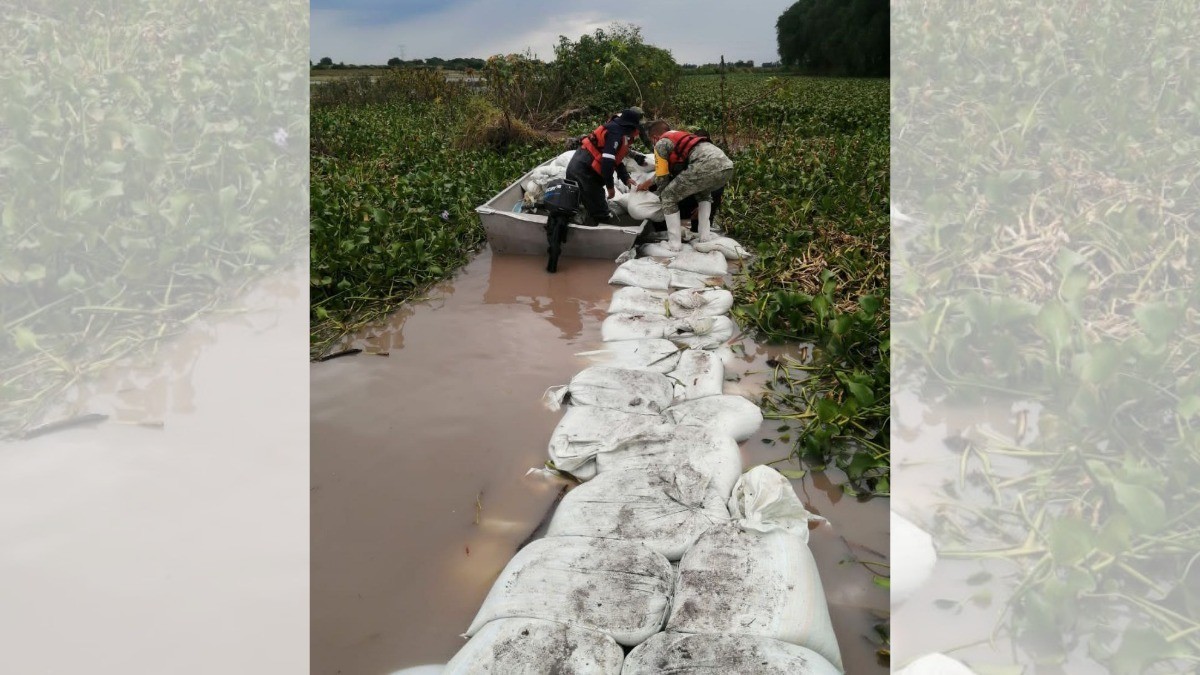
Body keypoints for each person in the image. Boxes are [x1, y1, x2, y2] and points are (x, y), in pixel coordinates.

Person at [637, 120, 733, 250]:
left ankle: (674, 244)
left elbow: (662, 177)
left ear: (654, 137)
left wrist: (659, 196)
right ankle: (704, 237)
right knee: (703, 194)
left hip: (704, 165)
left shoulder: (661, 143)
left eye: (651, 141)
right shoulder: (684, 136)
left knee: (668, 196)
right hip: (727, 166)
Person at [565, 107, 644, 225]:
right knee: (600, 211)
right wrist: (610, 187)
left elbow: (617, 160)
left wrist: (626, 178)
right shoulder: (615, 134)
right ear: (631, 127)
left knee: (590, 203)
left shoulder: (619, 131)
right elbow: (607, 164)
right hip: (584, 170)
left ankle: (588, 224)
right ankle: (599, 235)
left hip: (584, 166)